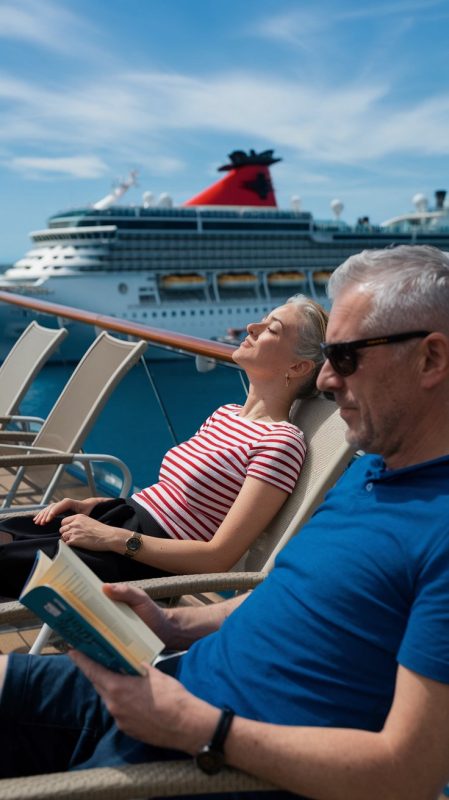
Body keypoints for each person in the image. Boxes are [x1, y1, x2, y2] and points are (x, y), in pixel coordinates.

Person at [2, 244, 449, 799]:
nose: (328, 382)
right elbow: (291, 590)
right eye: (327, 356)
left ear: (431, 359)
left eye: (347, 357)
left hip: (207, 755)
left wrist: (193, 726)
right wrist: (177, 626)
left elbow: (408, 776)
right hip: (172, 683)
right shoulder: (373, 471)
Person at [0, 295, 328, 598]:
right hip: (118, 519)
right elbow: (171, 496)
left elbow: (218, 558)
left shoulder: (280, 443)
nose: (251, 327)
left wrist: (110, 537)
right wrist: (97, 506)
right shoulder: (224, 414)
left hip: (139, 560)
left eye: (271, 329)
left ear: (298, 367)